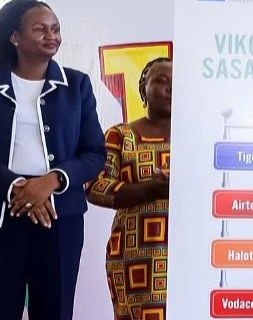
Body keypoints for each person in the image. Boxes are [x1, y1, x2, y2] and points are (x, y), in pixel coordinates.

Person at [0, 0, 106, 320]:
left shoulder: (77, 85)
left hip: (60, 218)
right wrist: (17, 187)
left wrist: (51, 181)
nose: (52, 36)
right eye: (40, 29)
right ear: (14, 36)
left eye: (56, 29)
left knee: (55, 311)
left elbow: (94, 153)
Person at [88, 57, 173, 320]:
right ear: (143, 89)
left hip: (192, 254)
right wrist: (150, 190)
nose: (170, 87)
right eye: (161, 80)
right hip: (137, 257)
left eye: (176, 83)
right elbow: (95, 186)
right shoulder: (121, 136)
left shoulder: (202, 137)